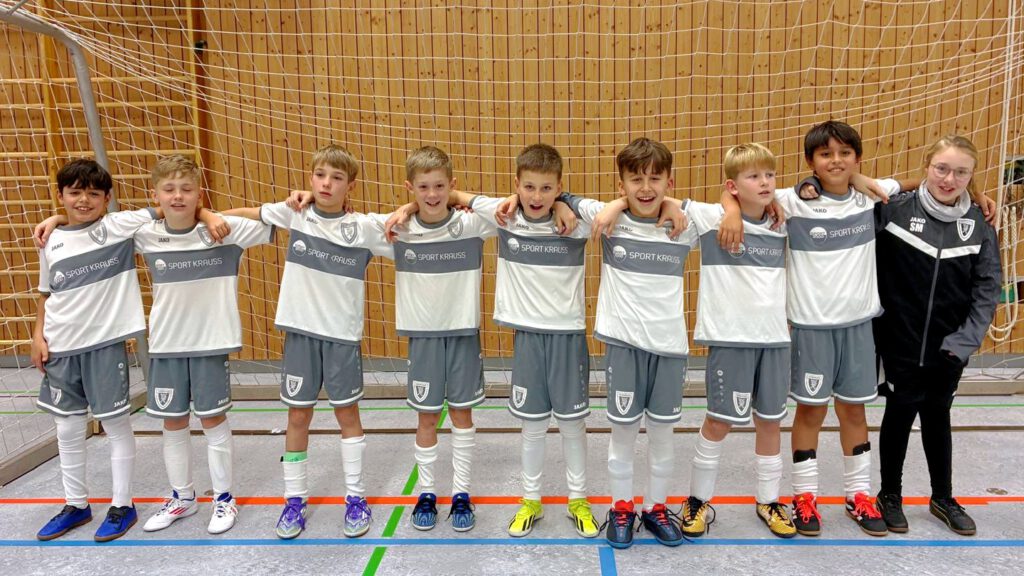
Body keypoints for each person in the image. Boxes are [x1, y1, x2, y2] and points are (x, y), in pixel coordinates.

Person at [388, 143, 599, 538]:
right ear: (516, 186)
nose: (537, 196)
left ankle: (578, 500)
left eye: (547, 189)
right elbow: (450, 196)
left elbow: (604, 210)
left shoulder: (576, 223)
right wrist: (410, 206)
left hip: (568, 335)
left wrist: (565, 203)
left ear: (558, 188)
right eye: (529, 187)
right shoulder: (504, 215)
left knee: (572, 424)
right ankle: (530, 500)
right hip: (526, 338)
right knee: (532, 425)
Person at [31, 158, 226, 541]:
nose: (83, 200)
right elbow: (46, 292)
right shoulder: (49, 239)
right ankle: (76, 505)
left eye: (93, 194)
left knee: (115, 425)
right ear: (61, 195)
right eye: (74, 193)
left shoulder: (119, 226)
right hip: (60, 348)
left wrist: (208, 213)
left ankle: (123, 505)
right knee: (67, 428)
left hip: (105, 346)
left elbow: (174, 207)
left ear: (107, 199)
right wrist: (38, 334)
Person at [227, 144, 392, 539]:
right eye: (320, 175)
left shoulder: (365, 227)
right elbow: (248, 214)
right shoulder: (295, 213)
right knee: (297, 417)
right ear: (311, 178)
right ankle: (294, 500)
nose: (326, 183)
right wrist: (205, 217)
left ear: (351, 186)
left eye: (337, 177)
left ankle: (356, 498)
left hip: (341, 338)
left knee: (347, 415)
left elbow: (412, 227)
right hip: (300, 335)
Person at [131, 155, 273, 535]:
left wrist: (212, 216)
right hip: (166, 345)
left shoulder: (225, 231)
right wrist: (56, 220)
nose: (178, 196)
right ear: (155, 195)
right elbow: (95, 227)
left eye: (187, 189)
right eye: (169, 189)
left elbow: (272, 220)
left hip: (211, 342)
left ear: (199, 194)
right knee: (173, 422)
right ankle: (182, 497)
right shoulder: (145, 234)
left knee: (212, 420)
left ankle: (224, 499)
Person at [565, 137, 693, 548]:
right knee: (622, 434)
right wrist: (614, 206)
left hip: (669, 348)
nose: (646, 187)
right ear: (621, 184)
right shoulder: (609, 219)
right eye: (635, 179)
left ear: (669, 181)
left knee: (662, 436)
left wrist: (673, 204)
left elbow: (734, 207)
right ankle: (621, 507)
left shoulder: (686, 222)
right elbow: (562, 197)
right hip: (623, 345)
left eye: (655, 178)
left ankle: (655, 508)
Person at [872, 135, 1000, 536]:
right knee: (899, 414)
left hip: (950, 348)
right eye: (941, 168)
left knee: (937, 416)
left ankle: (942, 497)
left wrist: (964, 342)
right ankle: (889, 494)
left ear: (971, 176)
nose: (949, 179)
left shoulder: (979, 224)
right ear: (926, 167)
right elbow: (848, 196)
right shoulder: (893, 210)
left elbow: (987, 289)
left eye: (961, 172)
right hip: (900, 342)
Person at [673, 143, 796, 539]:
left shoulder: (783, 217)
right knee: (719, 420)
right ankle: (697, 500)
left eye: (769, 175)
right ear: (732, 185)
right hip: (730, 338)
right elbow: (664, 201)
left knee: (771, 422)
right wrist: (728, 209)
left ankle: (769, 501)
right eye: (753, 176)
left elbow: (819, 188)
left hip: (775, 339)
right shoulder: (712, 219)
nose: (765, 183)